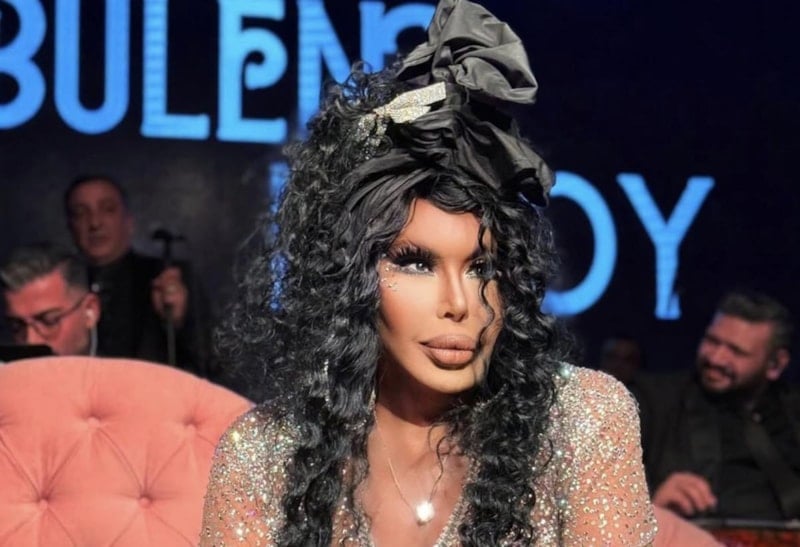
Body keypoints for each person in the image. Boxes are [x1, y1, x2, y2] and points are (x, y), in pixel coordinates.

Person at [201, 0, 657, 544]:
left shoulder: (581, 420)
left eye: (483, 267)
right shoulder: (264, 454)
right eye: (416, 263)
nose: (459, 304)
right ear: (349, 278)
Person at [632, 290, 800, 521]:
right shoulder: (655, 401)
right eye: (712, 341)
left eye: (736, 351)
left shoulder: (792, 411)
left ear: (775, 365)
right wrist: (651, 505)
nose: (715, 358)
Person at [63, 174, 212, 377]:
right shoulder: (59, 286)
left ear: (129, 221)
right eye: (81, 213)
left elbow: (212, 364)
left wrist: (179, 321)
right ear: (70, 227)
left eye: (108, 209)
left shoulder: (166, 277)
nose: (95, 223)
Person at [1, 243, 100, 356]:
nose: (31, 341)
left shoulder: (117, 359)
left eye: (48, 321)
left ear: (90, 310)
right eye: (17, 326)